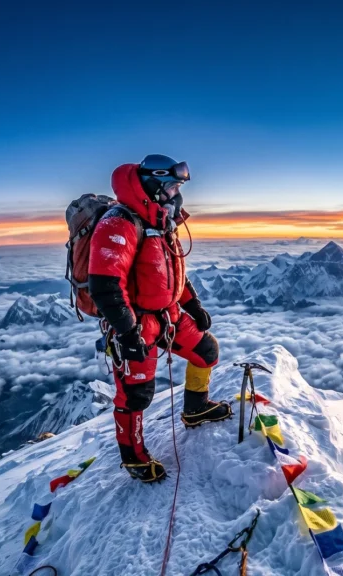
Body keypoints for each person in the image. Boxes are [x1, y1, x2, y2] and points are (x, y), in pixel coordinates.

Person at [88, 154, 231, 483]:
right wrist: (126, 334)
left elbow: (170, 272)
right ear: (152, 186)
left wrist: (192, 305)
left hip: (169, 316)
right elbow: (105, 286)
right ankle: (133, 457)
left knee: (206, 351)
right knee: (136, 395)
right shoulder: (119, 223)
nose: (176, 193)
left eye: (178, 186)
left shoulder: (160, 221)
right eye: (171, 186)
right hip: (135, 323)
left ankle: (195, 408)